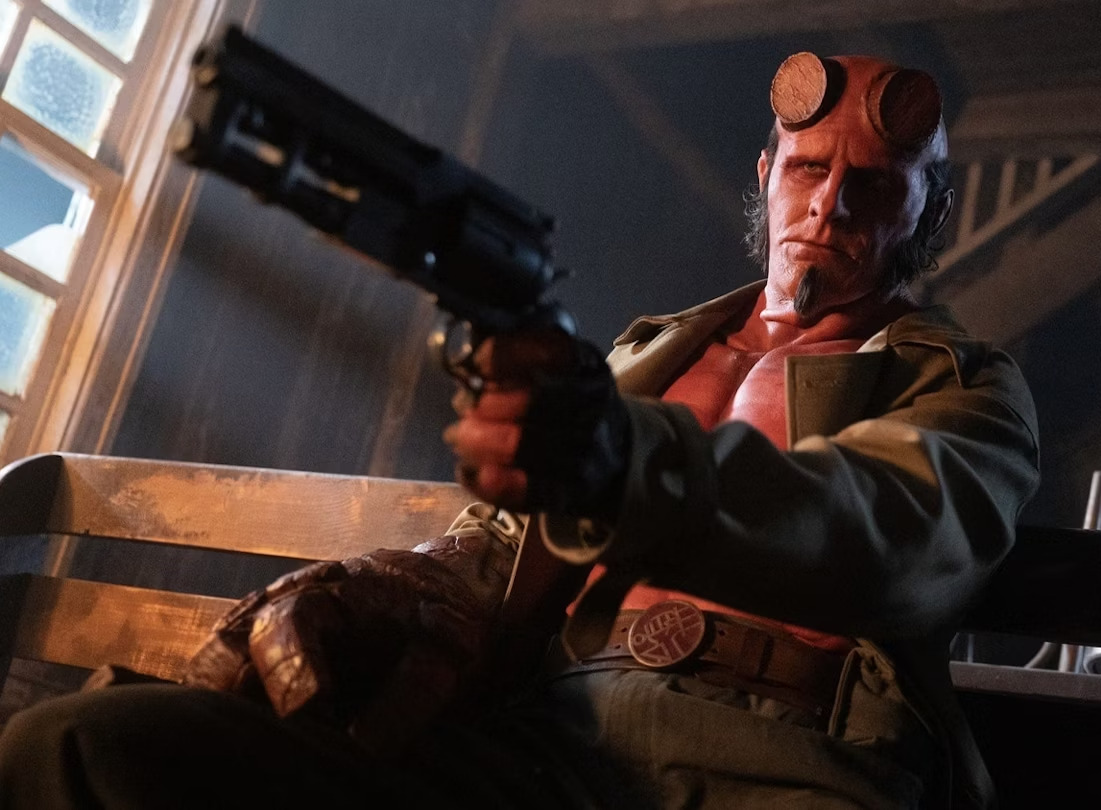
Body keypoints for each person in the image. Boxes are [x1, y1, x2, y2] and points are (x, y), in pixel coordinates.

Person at [0, 52, 1039, 810]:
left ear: (923, 214)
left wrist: (621, 462)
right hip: (543, 746)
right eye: (809, 170)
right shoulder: (640, 360)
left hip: (788, 768)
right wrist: (400, 585)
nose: (831, 205)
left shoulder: (963, 389)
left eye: (874, 186)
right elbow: (502, 542)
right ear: (768, 176)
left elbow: (892, 533)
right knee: (82, 748)